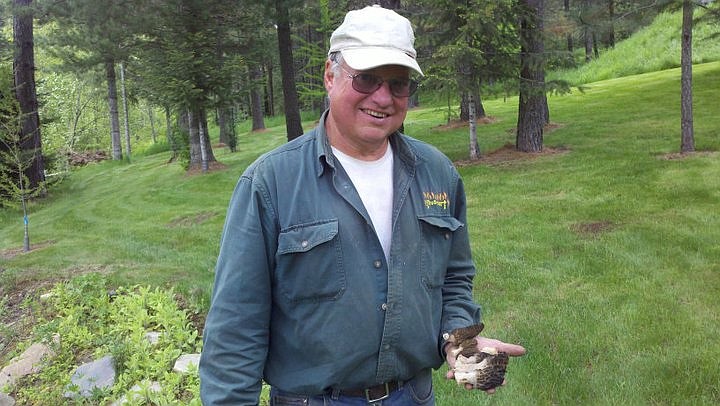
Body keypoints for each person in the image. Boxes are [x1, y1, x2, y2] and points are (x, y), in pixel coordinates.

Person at [199, 5, 525, 405]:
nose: (383, 97)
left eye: (398, 83)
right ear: (329, 75)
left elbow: (455, 278)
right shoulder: (271, 183)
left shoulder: (437, 173)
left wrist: (458, 341)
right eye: (366, 79)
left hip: (413, 395)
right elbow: (236, 325)